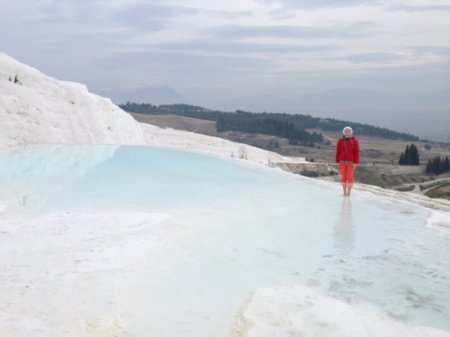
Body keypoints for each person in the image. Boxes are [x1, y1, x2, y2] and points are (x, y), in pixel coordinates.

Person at [336, 126, 360, 196]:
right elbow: (338, 151)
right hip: (342, 162)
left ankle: (349, 192)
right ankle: (344, 192)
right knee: (343, 177)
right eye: (346, 131)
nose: (347, 133)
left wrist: (356, 163)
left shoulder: (355, 141)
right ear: (344, 133)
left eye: (349, 131)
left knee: (350, 177)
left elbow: (356, 152)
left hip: (351, 163)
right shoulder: (340, 141)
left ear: (351, 132)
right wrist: (337, 161)